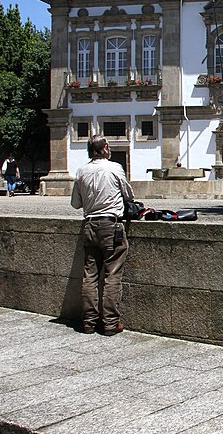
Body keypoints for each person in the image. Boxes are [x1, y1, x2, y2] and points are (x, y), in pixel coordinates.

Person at [71, 135, 134, 336]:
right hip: (111, 226)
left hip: (90, 225)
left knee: (90, 275)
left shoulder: (81, 171)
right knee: (112, 274)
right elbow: (129, 195)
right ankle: (110, 323)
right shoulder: (114, 168)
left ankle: (89, 322)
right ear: (105, 148)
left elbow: (75, 203)